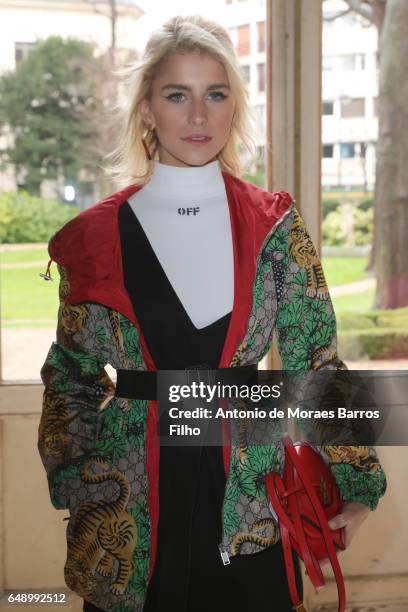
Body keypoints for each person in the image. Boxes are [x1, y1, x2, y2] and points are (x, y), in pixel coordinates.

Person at [37, 14, 387, 612]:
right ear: (147, 109)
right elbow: (69, 376)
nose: (198, 116)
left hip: (252, 494)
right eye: (178, 95)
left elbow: (317, 360)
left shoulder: (275, 225)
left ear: (233, 108)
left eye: (215, 94)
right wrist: (82, 485)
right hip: (132, 502)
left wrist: (356, 483)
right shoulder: (91, 238)